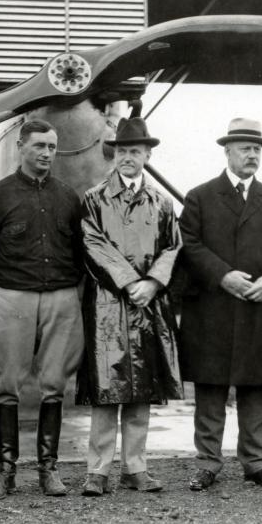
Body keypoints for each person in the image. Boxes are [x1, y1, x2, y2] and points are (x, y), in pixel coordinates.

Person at [179, 118, 262, 491]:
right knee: (210, 389)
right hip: (213, 308)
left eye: (257, 149)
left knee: (255, 389)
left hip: (259, 306)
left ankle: (256, 463)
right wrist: (223, 275)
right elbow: (189, 243)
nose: (252, 155)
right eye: (245, 148)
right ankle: (207, 464)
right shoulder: (199, 196)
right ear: (227, 151)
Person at [0, 119, 84, 499]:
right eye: (39, 146)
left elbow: (81, 252)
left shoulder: (69, 196)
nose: (47, 154)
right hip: (11, 296)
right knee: (7, 384)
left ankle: (48, 470)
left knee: (54, 384)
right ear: (21, 147)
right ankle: (5, 471)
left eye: (52, 147)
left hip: (60, 297)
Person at [76, 117, 184, 496]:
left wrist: (153, 282)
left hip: (149, 306)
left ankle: (136, 467)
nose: (127, 158)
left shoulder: (162, 201)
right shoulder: (94, 198)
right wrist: (130, 281)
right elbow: (93, 244)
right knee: (107, 390)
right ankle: (98, 470)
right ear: (114, 154)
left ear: (147, 155)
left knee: (142, 392)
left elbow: (173, 246)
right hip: (108, 305)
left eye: (134, 151)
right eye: (121, 151)